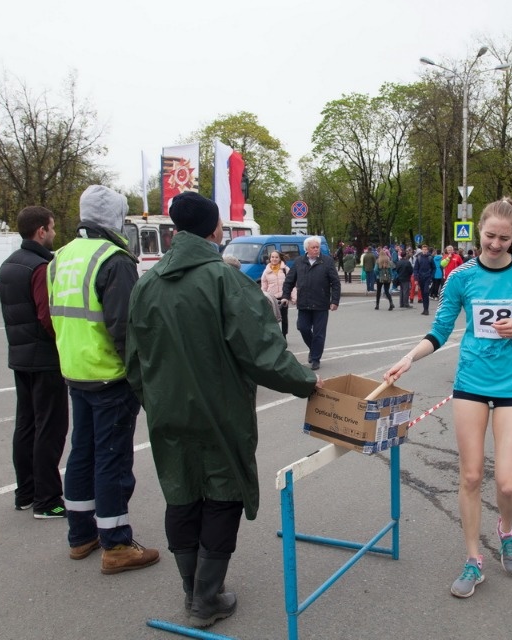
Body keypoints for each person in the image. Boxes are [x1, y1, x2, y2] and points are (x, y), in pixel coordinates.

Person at [126, 192, 321, 629]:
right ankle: (206, 597)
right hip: (219, 412)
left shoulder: (147, 283)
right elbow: (263, 353)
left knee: (180, 491)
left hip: (167, 413)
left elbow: (133, 361)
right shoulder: (226, 281)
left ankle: (191, 587)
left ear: (175, 230)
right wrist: (306, 383)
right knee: (222, 493)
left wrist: (155, 401)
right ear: (216, 230)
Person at [384, 197, 512, 599]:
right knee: (472, 475)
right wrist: (408, 358)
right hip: (472, 384)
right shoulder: (460, 277)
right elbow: (441, 329)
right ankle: (473, 559)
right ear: (479, 231)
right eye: (490, 236)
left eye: (504, 238)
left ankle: (507, 531)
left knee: (508, 484)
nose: (495, 244)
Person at [47, 185, 159, 573]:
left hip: (75, 372)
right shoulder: (114, 259)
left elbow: (53, 316)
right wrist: (142, 377)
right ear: (114, 219)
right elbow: (127, 328)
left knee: (82, 454)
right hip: (111, 376)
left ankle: (81, 535)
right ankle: (116, 544)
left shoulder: (59, 257)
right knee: (112, 460)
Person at [0, 206, 69, 519]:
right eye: (51, 229)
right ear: (41, 231)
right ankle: (48, 500)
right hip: (44, 360)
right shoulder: (41, 266)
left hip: (20, 356)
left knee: (26, 425)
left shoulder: (8, 265)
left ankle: (24, 492)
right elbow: (46, 316)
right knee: (49, 429)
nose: (53, 234)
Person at [281, 236, 340, 371]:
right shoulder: (299, 262)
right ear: (306, 248)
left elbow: (335, 283)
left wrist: (334, 301)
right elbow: (289, 281)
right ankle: (314, 349)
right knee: (303, 328)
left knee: (319, 333)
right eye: (313, 247)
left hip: (321, 303)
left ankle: (315, 359)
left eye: (317, 247)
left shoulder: (327, 261)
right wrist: (285, 296)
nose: (316, 250)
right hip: (304, 303)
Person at [261, 250, 291, 338]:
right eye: (272, 257)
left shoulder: (285, 269)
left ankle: (284, 335)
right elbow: (264, 285)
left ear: (280, 258)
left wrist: (293, 297)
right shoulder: (266, 271)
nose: (274, 259)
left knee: (284, 318)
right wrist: (263, 297)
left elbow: (291, 284)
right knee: (273, 318)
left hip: (283, 297)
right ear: (270, 259)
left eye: (276, 257)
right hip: (272, 298)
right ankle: (276, 336)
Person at [413, 244, 434, 315]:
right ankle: (424, 309)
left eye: (426, 250)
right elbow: (415, 269)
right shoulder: (418, 258)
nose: (424, 251)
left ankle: (426, 309)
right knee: (422, 293)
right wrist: (416, 278)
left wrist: (431, 276)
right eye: (423, 249)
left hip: (427, 278)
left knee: (426, 292)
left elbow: (434, 268)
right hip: (420, 278)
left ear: (427, 250)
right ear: (421, 250)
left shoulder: (430, 258)